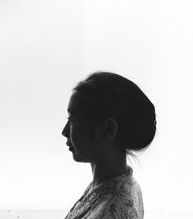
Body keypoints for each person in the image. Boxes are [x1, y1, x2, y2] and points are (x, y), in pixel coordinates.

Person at [62, 71, 157, 219]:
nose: (65, 131)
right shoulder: (116, 186)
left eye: (73, 119)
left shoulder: (108, 212)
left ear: (108, 130)